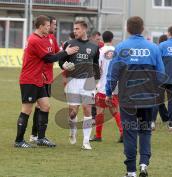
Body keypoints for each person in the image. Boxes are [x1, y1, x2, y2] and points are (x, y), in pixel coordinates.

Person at [106, 16, 165, 177]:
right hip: (148, 98)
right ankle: (144, 165)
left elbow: (113, 74)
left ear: (128, 28)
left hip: (128, 99)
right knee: (145, 131)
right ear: (142, 28)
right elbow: (161, 75)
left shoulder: (121, 47)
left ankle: (131, 171)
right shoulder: (153, 48)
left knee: (130, 132)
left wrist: (109, 92)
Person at [15, 15, 78, 148]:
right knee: (27, 109)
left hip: (39, 79)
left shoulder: (45, 38)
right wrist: (66, 52)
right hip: (30, 79)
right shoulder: (34, 40)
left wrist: (64, 58)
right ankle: (19, 140)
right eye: (48, 26)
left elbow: (54, 54)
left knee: (45, 106)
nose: (50, 28)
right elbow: (49, 59)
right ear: (41, 26)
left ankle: (41, 138)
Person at [59, 20, 100, 150]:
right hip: (73, 80)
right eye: (74, 29)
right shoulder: (69, 44)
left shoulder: (94, 46)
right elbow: (61, 61)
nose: (75, 31)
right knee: (72, 113)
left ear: (84, 30)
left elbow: (96, 64)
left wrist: (97, 79)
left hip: (88, 81)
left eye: (77, 29)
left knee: (87, 110)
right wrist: (64, 65)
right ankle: (73, 131)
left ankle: (86, 142)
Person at [30, 16, 60, 143]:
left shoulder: (52, 38)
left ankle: (37, 136)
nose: (54, 27)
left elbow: (57, 53)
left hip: (49, 77)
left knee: (42, 106)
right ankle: (34, 135)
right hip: (40, 76)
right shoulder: (39, 39)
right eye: (53, 25)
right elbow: (47, 58)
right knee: (39, 105)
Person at [90, 31, 123, 142]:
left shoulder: (100, 51)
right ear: (112, 39)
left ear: (102, 39)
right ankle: (123, 132)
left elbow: (97, 69)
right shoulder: (117, 51)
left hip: (103, 85)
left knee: (99, 111)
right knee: (115, 111)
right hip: (114, 86)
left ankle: (98, 136)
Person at [151, 34, 169, 130]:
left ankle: (153, 121)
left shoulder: (156, 49)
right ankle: (165, 118)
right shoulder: (168, 50)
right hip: (168, 77)